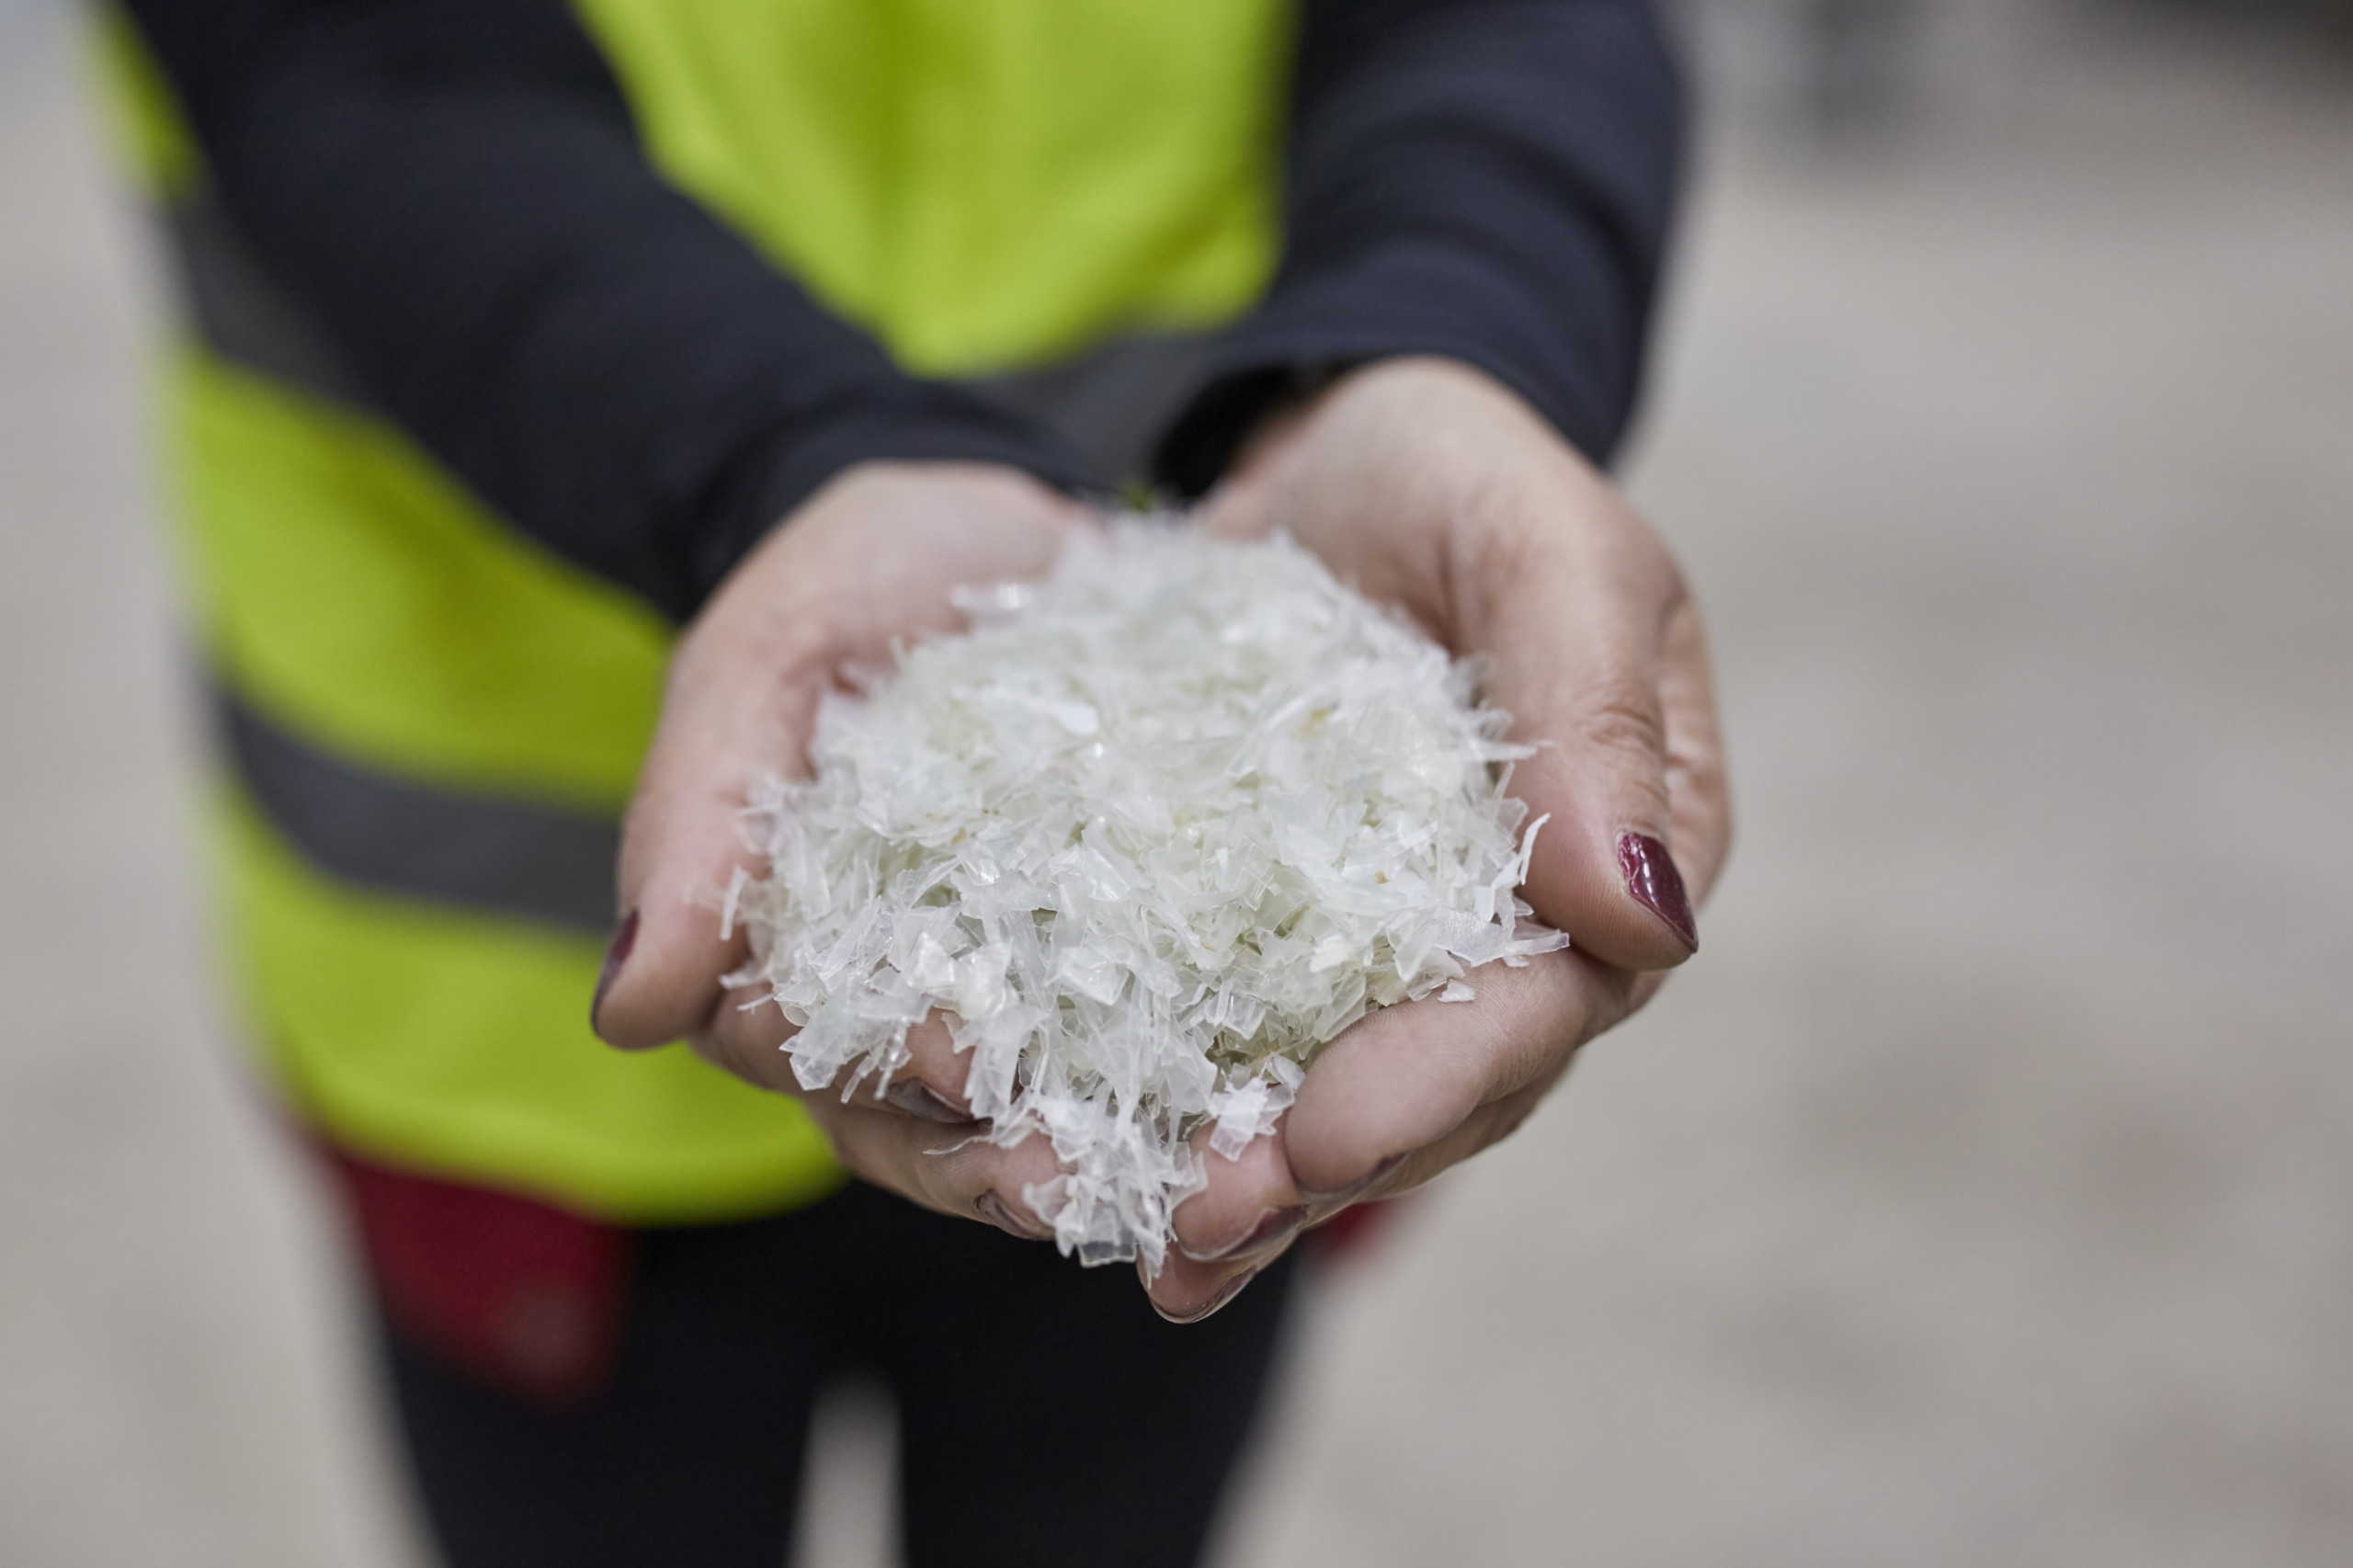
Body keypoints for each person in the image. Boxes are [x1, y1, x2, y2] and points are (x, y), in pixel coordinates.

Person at [105, 0, 1728, 1562]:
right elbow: (361, 62)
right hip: (500, 988)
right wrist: (779, 448)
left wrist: (1448, 325)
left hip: (1176, 1021)